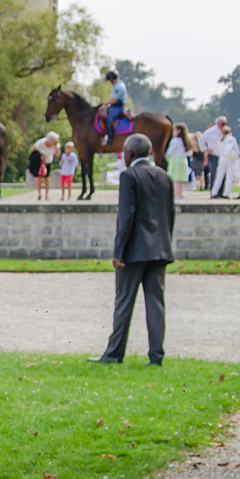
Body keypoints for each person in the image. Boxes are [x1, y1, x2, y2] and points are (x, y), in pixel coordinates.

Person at [91, 134, 174, 365]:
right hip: (160, 249)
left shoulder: (129, 176)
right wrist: (166, 244)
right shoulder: (164, 176)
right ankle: (156, 356)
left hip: (134, 250)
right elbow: (170, 215)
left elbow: (126, 217)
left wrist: (118, 252)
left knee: (124, 302)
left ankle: (114, 353)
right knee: (156, 304)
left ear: (130, 154)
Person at [200, 116, 228, 194]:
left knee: (223, 174)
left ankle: (221, 192)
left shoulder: (226, 130)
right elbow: (201, 139)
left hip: (223, 155)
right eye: (221, 123)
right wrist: (205, 149)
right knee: (214, 173)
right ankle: (214, 191)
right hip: (214, 155)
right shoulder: (211, 131)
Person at [100, 70, 128, 148]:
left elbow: (114, 100)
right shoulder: (117, 85)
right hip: (114, 106)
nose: (109, 82)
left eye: (109, 80)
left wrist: (104, 103)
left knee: (109, 119)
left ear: (111, 79)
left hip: (118, 107)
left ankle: (110, 138)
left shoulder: (118, 87)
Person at [211, 128, 240, 199]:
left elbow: (217, 150)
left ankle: (214, 192)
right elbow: (237, 149)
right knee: (229, 176)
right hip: (230, 159)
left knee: (219, 176)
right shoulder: (232, 139)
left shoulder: (220, 140)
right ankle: (226, 193)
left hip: (222, 158)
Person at [29, 131, 60, 200]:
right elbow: (32, 150)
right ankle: (39, 194)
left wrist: (56, 146)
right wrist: (39, 155)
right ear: (50, 140)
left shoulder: (56, 145)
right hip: (40, 162)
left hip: (48, 162)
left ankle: (47, 195)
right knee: (39, 177)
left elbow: (58, 155)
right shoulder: (40, 143)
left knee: (47, 178)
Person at [164, 123, 191, 200]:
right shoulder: (186, 140)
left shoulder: (175, 140)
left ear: (178, 131)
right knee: (181, 180)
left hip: (175, 160)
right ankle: (180, 195)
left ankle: (176, 196)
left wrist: (166, 155)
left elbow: (170, 152)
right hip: (183, 160)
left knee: (175, 180)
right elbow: (189, 153)